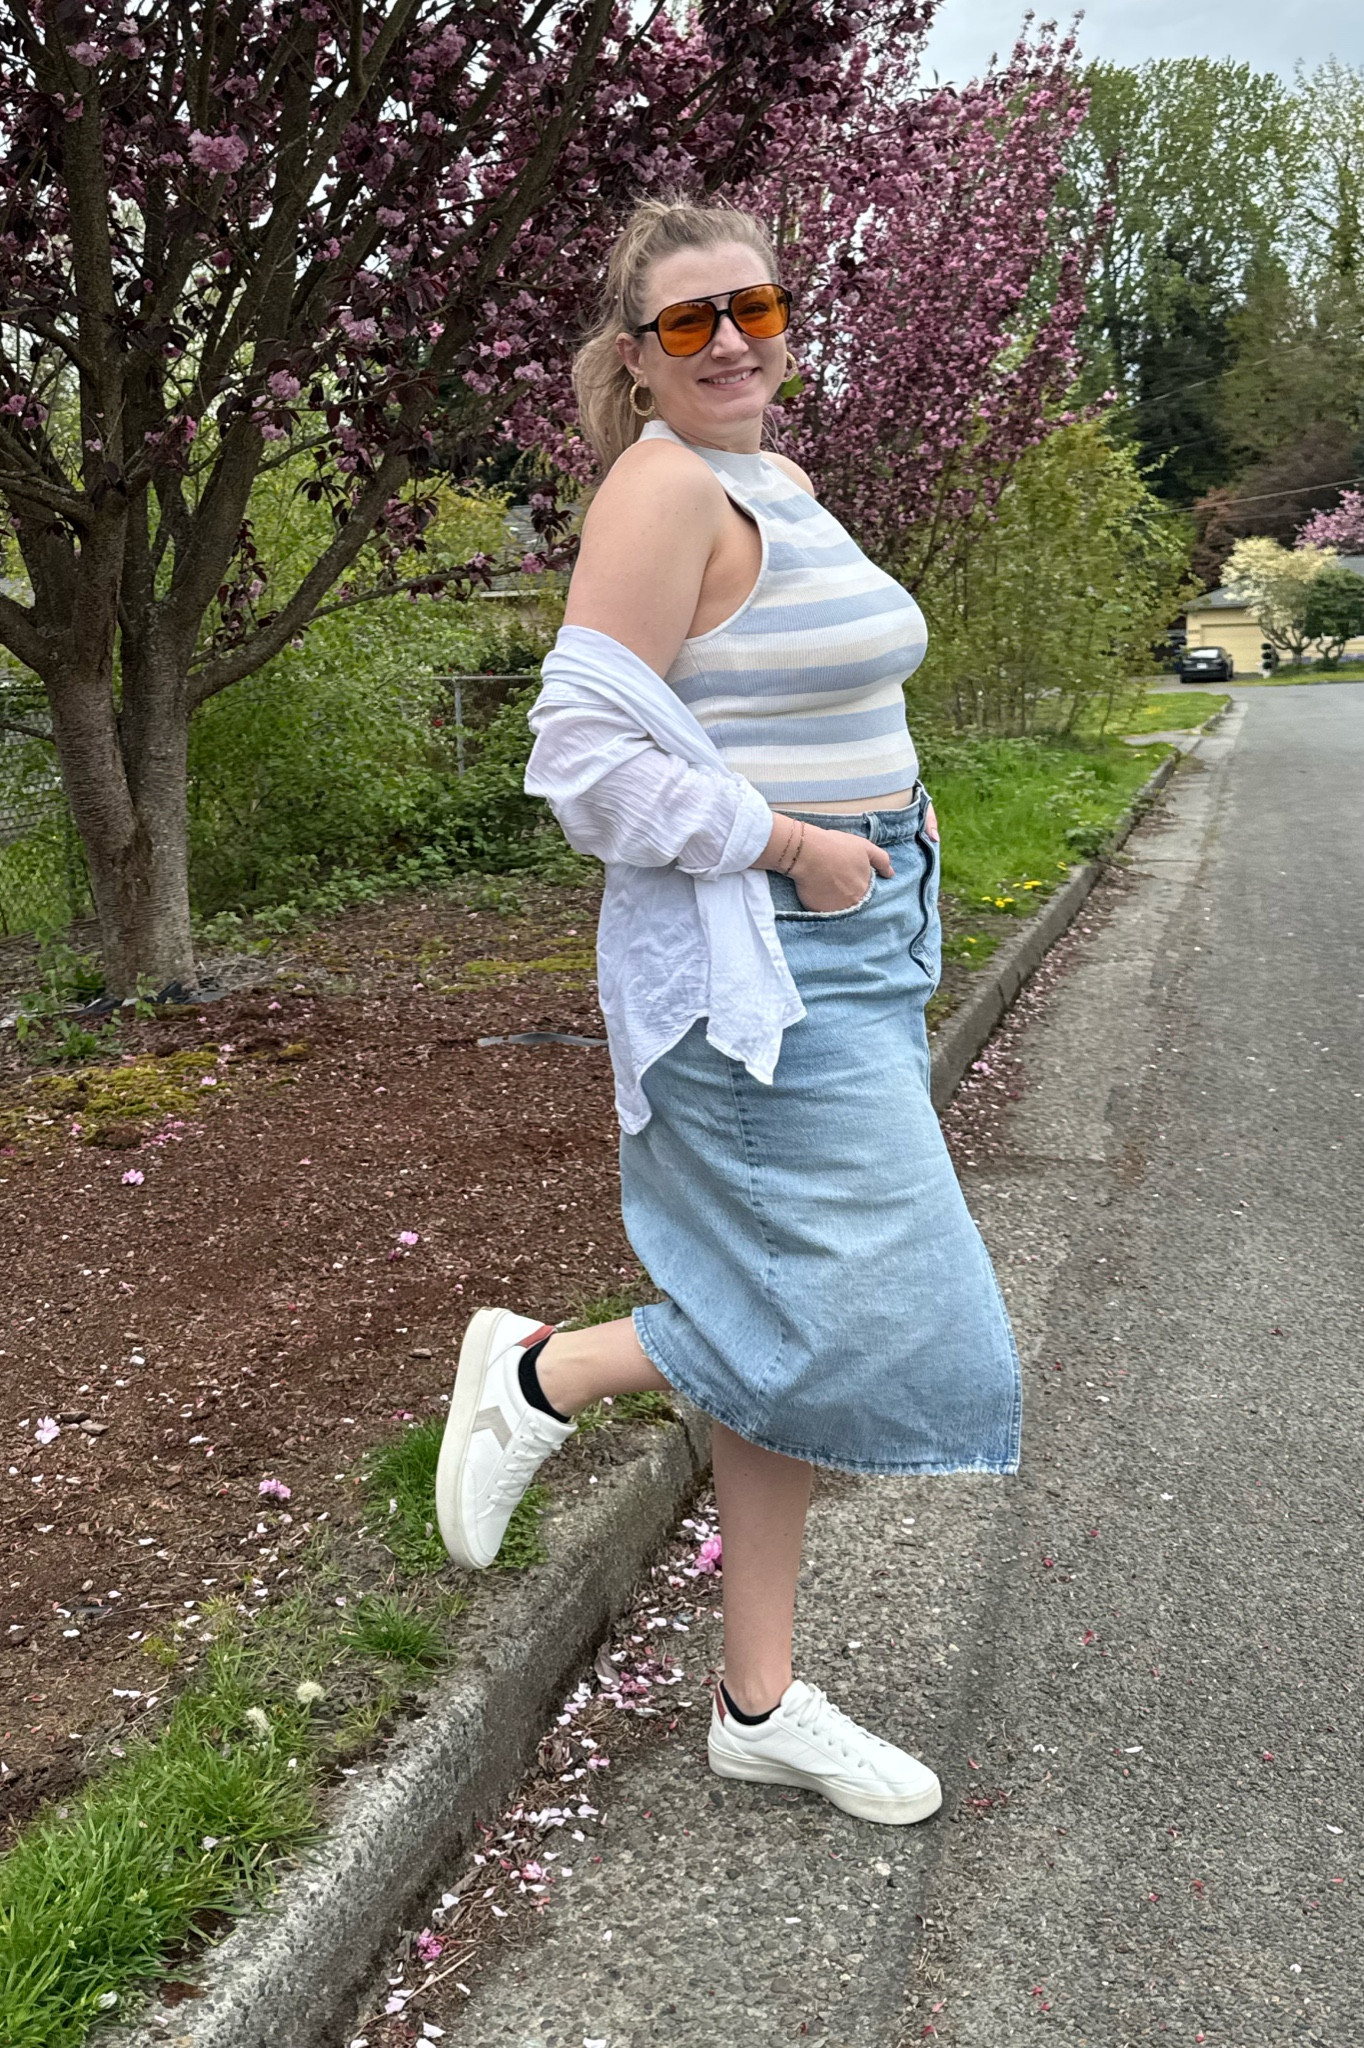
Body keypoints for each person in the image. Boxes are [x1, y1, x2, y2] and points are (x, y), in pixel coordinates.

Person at [435, 196, 1020, 1828]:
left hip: (863, 934)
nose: (734, 341)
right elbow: (585, 763)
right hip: (766, 963)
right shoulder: (661, 488)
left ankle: (755, 1701)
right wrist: (799, 848)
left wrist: (880, 865)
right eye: (689, 323)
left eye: (752, 304)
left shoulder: (779, 481)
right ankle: (549, 1376)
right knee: (871, 1314)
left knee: (793, 1335)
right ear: (636, 358)